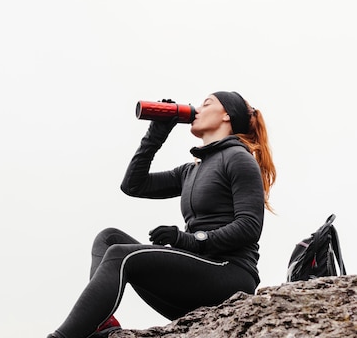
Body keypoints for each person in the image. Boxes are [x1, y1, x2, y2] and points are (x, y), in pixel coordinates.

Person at [47, 91, 276, 338]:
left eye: (206, 103)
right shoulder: (191, 170)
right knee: (109, 238)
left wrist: (188, 239)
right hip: (193, 282)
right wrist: (156, 135)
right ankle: (102, 324)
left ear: (227, 116)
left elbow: (249, 226)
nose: (197, 109)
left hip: (229, 276)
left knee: (120, 255)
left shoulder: (239, 158)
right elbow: (134, 185)